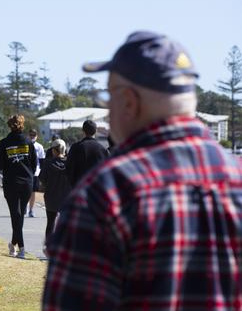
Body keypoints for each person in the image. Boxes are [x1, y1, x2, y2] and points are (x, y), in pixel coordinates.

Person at [42, 31, 242, 309]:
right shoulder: (235, 179)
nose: (108, 110)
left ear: (128, 101)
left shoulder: (105, 194)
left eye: (108, 97)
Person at [0, 115, 37, 258]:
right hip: (26, 182)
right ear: (22, 125)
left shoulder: (4, 143)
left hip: (11, 182)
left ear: (9, 126)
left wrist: (9, 164)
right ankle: (13, 244)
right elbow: (34, 164)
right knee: (20, 214)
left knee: (15, 214)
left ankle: (22, 248)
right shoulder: (28, 142)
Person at [38, 139, 71, 244]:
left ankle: (48, 246)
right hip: (66, 198)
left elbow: (42, 179)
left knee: (50, 223)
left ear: (55, 150)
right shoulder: (69, 164)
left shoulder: (48, 163)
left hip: (51, 197)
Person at [64, 119, 109, 188]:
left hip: (79, 189)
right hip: (97, 190)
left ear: (83, 131)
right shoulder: (102, 149)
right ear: (96, 131)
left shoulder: (75, 147)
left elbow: (68, 169)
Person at [26, 129, 45, 218]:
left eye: (34, 135)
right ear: (28, 135)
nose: (32, 137)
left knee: (33, 192)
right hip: (26, 171)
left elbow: (41, 161)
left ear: (36, 136)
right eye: (31, 135)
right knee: (25, 191)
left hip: (36, 172)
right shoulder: (25, 145)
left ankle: (31, 209)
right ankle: (24, 207)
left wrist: (42, 173)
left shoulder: (39, 147)